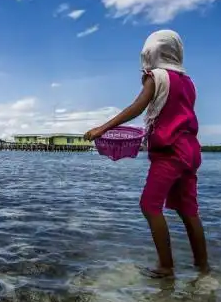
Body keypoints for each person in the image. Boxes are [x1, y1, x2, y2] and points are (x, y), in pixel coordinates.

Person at [84, 30, 209, 278]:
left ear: (152, 53)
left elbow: (136, 108)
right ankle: (203, 267)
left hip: (169, 151)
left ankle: (166, 267)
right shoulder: (188, 82)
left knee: (149, 206)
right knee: (189, 210)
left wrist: (103, 128)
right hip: (190, 152)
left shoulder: (156, 77)